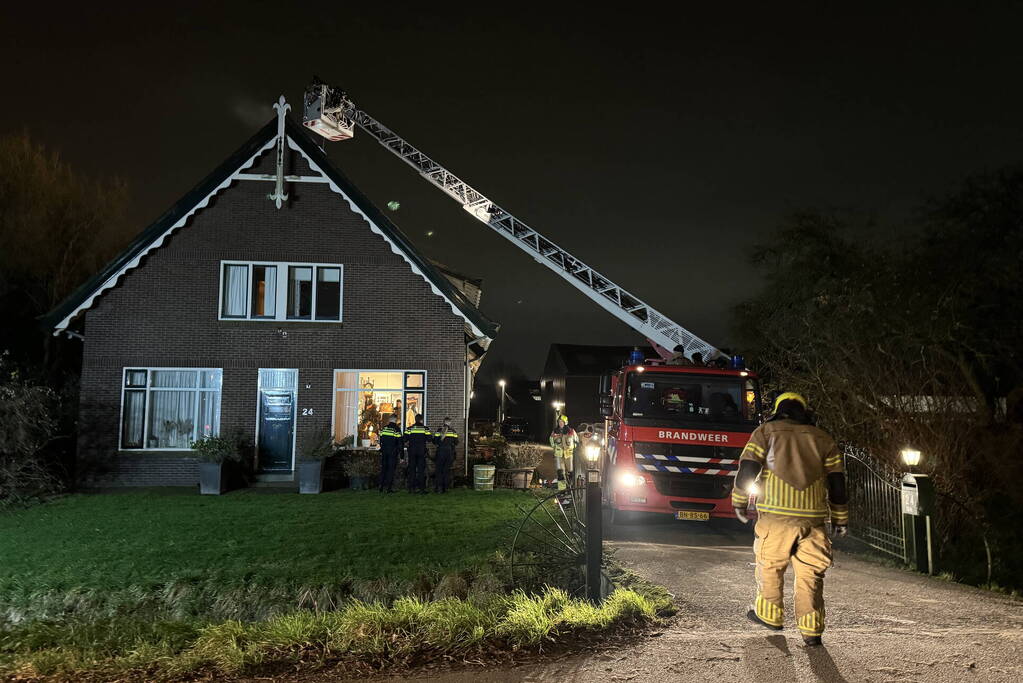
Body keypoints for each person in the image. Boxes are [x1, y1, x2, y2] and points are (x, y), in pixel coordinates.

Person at [731, 392, 849, 647]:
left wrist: (739, 501)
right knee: (811, 575)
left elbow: (748, 470)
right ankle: (812, 629)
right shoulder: (823, 439)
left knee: (771, 566)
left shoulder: (765, 432)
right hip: (814, 522)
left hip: (777, 518)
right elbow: (837, 483)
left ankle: (770, 614)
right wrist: (840, 518)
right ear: (804, 411)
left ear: (778, 410)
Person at [404, 414, 432, 494]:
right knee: (421, 471)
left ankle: (411, 489)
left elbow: (405, 439)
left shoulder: (410, 429)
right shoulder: (425, 429)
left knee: (412, 470)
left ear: (415, 420)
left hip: (412, 452)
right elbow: (429, 439)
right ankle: (421, 489)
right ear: (421, 420)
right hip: (421, 452)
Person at [549, 415, 579, 490]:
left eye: (562, 422)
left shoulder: (571, 431)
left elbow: (576, 441)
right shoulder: (554, 432)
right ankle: (562, 489)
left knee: (570, 471)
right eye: (559, 422)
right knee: (560, 472)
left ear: (565, 422)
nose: (560, 423)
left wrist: (571, 448)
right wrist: (555, 447)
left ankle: (571, 487)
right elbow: (551, 440)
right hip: (559, 455)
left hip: (568, 454)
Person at [378, 415, 403, 493]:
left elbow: (380, 440)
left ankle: (381, 487)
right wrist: (402, 456)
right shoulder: (396, 429)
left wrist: (381, 449)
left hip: (384, 452)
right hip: (392, 452)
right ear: (396, 420)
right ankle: (388, 488)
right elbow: (400, 443)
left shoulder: (384, 428)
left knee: (383, 469)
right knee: (391, 470)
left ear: (389, 420)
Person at [433, 417, 458, 493]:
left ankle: (438, 488)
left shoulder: (439, 430)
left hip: (440, 452)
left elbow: (434, 441)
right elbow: (456, 442)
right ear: (449, 422)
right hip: (449, 453)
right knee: (446, 471)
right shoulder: (453, 431)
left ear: (443, 422)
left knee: (439, 470)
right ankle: (445, 488)